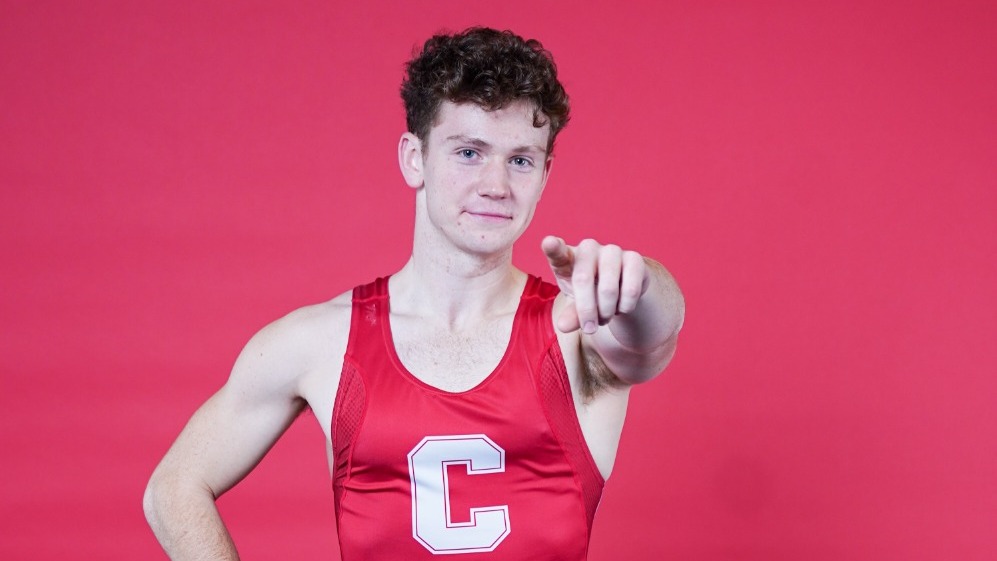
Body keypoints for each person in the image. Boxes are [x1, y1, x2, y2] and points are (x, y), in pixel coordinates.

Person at [144, 27, 685, 560]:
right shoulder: (320, 342)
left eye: (520, 160)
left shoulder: (579, 328)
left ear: (544, 175)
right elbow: (174, 489)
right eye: (469, 152)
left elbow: (654, 334)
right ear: (413, 158)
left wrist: (636, 282)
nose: (496, 184)